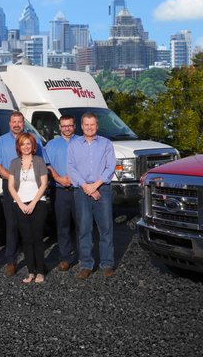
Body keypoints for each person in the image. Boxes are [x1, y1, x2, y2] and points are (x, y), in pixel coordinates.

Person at [0, 110, 46, 276]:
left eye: (20, 122)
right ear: (9, 123)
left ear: (24, 123)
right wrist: (16, 180)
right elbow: (0, 168)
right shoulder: (0, 142)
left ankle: (35, 263)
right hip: (12, 188)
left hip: (33, 189)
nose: (16, 124)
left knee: (33, 227)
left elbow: (42, 164)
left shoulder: (33, 140)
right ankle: (11, 261)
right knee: (12, 224)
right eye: (13, 122)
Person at [67, 112, 117, 280]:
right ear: (81, 126)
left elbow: (110, 167)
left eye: (92, 124)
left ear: (97, 126)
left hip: (102, 189)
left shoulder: (106, 144)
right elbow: (71, 168)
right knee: (84, 229)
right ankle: (87, 265)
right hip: (81, 190)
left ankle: (107, 264)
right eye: (86, 125)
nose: (89, 127)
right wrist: (86, 186)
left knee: (106, 228)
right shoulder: (74, 145)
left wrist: (95, 185)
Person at [6, 133, 50, 283]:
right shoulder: (14, 163)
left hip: (38, 204)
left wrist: (32, 203)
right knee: (26, 239)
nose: (26, 147)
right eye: (23, 144)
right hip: (19, 204)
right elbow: (10, 186)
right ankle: (30, 271)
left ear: (33, 146)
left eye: (28, 144)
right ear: (18, 146)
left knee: (37, 238)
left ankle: (40, 271)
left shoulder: (39, 161)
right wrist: (20, 203)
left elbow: (44, 184)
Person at [44, 114, 78, 271]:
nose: (67, 129)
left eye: (70, 125)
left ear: (74, 126)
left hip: (79, 189)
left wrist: (75, 178)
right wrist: (58, 178)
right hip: (59, 190)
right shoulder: (51, 145)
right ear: (59, 127)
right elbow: (48, 165)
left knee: (82, 225)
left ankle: (85, 256)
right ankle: (66, 257)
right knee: (62, 225)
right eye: (64, 126)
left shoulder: (82, 141)